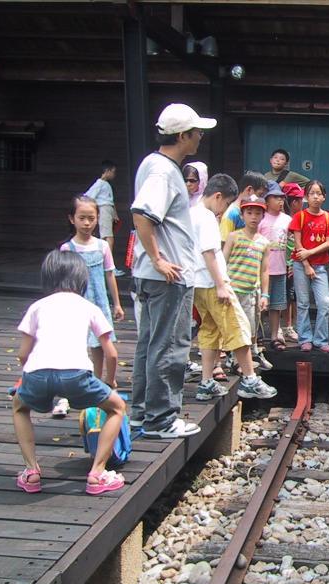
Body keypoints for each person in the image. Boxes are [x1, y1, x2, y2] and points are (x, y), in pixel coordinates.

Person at [130, 103, 215, 438]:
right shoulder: (163, 171)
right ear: (182, 135)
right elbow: (142, 214)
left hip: (156, 275)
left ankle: (142, 412)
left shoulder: (156, 164)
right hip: (168, 276)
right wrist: (159, 259)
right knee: (169, 345)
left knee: (150, 343)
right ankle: (161, 419)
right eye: (196, 132)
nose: (200, 138)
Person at [13, 250, 127, 495]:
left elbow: (23, 353)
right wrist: (108, 381)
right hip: (77, 375)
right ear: (81, 279)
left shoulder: (37, 306)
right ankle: (97, 474)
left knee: (19, 407)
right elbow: (112, 354)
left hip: (37, 374)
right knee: (117, 408)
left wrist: (28, 377)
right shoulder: (89, 307)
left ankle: (31, 471)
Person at [191, 174, 278, 402]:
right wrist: (221, 284)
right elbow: (210, 252)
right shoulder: (208, 217)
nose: (224, 209)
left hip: (198, 283)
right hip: (212, 283)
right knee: (238, 327)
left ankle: (206, 381)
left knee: (210, 331)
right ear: (218, 196)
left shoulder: (191, 213)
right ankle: (249, 379)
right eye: (227, 203)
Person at [58, 195, 125, 416]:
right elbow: (62, 280)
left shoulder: (102, 246)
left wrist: (117, 303)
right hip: (75, 304)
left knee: (98, 346)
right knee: (74, 345)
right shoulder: (67, 248)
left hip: (99, 303)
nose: (87, 223)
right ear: (71, 219)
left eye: (91, 218)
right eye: (82, 218)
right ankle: (67, 394)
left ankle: (96, 385)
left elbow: (110, 275)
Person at [289, 180, 329, 353]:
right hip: (301, 266)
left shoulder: (328, 217)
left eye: (319, 193)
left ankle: (321, 339)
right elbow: (298, 245)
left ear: (324, 197)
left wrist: (309, 253)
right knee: (303, 303)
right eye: (311, 193)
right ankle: (305, 339)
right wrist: (307, 262)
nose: (315, 197)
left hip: (321, 265)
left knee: (324, 302)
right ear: (306, 197)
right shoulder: (299, 217)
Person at [224, 194, 271, 366]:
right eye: (249, 212)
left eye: (257, 213)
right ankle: (232, 357)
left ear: (263, 216)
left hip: (252, 291)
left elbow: (265, 270)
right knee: (233, 326)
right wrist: (222, 285)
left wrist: (265, 295)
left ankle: (250, 354)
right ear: (242, 215)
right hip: (233, 289)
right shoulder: (233, 237)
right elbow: (223, 261)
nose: (253, 217)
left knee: (251, 326)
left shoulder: (264, 242)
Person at [258, 181, 292, 351]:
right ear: (267, 200)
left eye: (281, 198)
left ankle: (273, 336)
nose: (279, 201)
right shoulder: (261, 218)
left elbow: (292, 242)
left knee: (277, 305)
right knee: (260, 304)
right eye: (276, 198)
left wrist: (291, 262)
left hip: (280, 268)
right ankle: (257, 337)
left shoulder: (287, 220)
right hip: (262, 270)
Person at [84, 160, 124, 276]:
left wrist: (114, 214)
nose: (114, 174)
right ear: (107, 171)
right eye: (112, 172)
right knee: (108, 239)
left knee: (109, 238)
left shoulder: (106, 184)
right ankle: (108, 266)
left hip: (108, 211)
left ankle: (107, 265)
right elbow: (88, 196)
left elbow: (110, 201)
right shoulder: (99, 184)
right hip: (104, 210)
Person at [280, 182, 304, 343]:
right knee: (286, 297)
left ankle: (291, 326)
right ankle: (286, 326)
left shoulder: (296, 217)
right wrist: (289, 262)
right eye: (300, 200)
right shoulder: (287, 220)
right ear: (294, 201)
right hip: (285, 263)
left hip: (295, 262)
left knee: (293, 296)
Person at [219, 171, 269, 242]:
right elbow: (224, 242)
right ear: (249, 190)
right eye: (260, 195)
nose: (261, 199)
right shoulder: (232, 214)